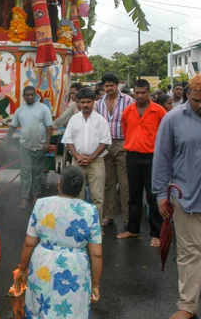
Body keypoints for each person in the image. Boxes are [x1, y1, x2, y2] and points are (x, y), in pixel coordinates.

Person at [15, 167, 102, 319]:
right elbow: (96, 253)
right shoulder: (90, 211)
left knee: (42, 300)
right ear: (81, 189)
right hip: (75, 262)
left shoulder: (42, 204)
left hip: (43, 261)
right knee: (74, 295)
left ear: (59, 184)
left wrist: (22, 268)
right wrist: (95, 284)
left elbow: (29, 242)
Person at [152, 74, 201, 319]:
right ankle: (187, 306)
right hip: (185, 196)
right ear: (188, 95)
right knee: (190, 254)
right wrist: (159, 195)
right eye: (196, 99)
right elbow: (162, 159)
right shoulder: (172, 119)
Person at [117, 79, 166, 246]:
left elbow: (165, 135)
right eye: (137, 92)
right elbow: (126, 130)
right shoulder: (128, 111)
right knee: (134, 195)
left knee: (153, 196)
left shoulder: (159, 111)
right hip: (132, 156)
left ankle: (157, 233)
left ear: (148, 92)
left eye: (143, 92)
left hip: (152, 158)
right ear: (134, 92)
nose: (140, 96)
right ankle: (132, 229)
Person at [62, 87, 111, 224]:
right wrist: (77, 156)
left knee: (97, 197)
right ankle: (76, 224)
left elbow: (105, 141)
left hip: (96, 162)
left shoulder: (101, 120)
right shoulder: (74, 120)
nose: (85, 105)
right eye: (82, 102)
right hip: (77, 161)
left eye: (88, 102)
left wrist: (91, 157)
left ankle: (96, 227)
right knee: (76, 196)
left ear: (94, 101)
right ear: (78, 103)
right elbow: (68, 140)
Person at [5, 86, 53, 209]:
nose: (30, 97)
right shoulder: (20, 110)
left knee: (37, 173)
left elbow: (49, 127)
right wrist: (6, 140)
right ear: (24, 96)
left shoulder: (43, 108)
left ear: (35, 95)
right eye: (27, 95)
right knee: (25, 173)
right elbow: (13, 126)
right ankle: (24, 198)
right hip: (25, 147)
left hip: (40, 147)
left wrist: (47, 143)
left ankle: (35, 195)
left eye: (32, 95)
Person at [97, 73, 133, 227]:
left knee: (125, 186)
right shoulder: (99, 103)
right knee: (108, 183)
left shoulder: (128, 101)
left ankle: (127, 219)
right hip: (105, 145)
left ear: (117, 85)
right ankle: (109, 216)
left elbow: (133, 122)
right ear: (103, 87)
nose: (109, 88)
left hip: (122, 143)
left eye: (112, 85)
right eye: (106, 86)